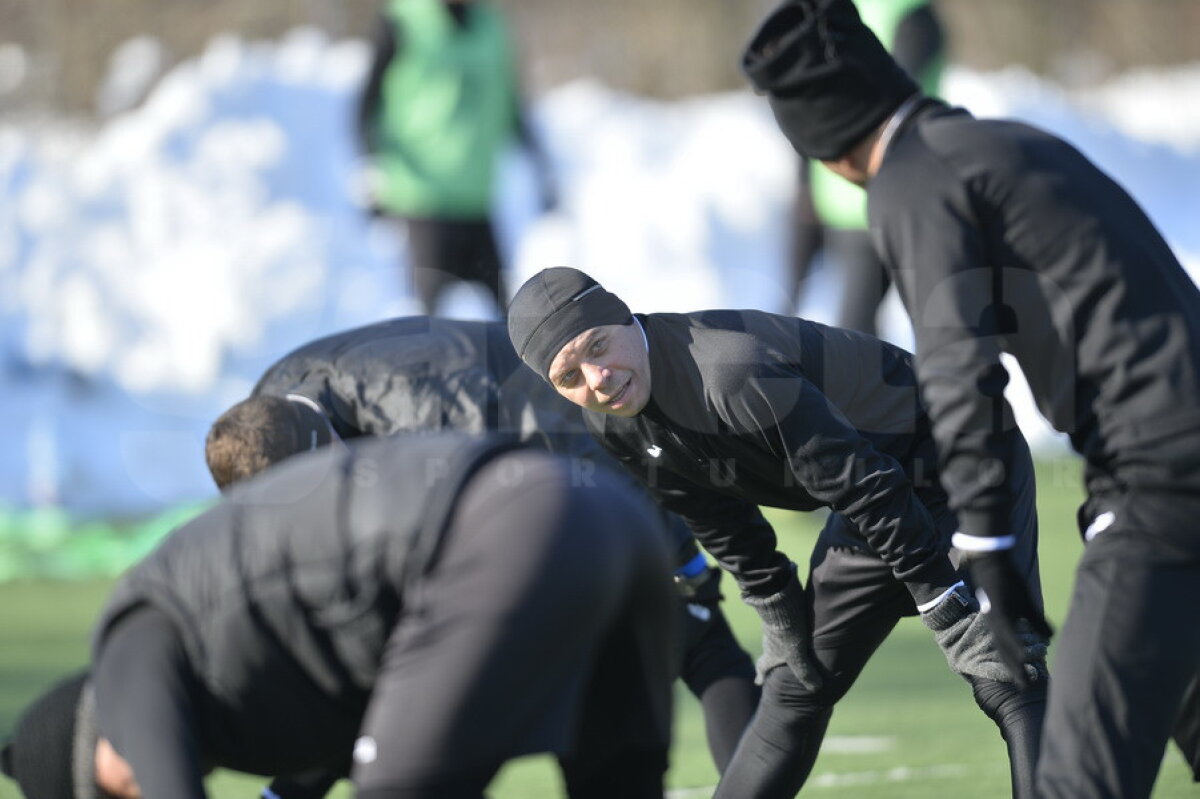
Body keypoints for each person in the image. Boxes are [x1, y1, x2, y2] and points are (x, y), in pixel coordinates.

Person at [739, 1, 1200, 796]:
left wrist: (984, 544)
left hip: (1163, 474)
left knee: (1078, 773)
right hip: (1169, 460)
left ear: (822, 147)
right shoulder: (1005, 144)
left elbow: (956, 370)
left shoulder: (911, 183)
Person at [506, 266, 1048, 798]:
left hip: (963, 452)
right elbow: (716, 517)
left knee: (1004, 675)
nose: (598, 379)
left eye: (598, 347)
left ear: (623, 316)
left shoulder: (728, 368)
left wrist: (941, 598)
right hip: (874, 488)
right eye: (569, 377)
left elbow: (863, 483)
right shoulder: (610, 421)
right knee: (795, 684)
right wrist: (777, 606)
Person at [205, 316, 759, 778]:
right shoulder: (263, 425)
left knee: (693, 634)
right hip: (482, 452)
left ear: (329, 448)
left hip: (565, 434)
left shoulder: (432, 417)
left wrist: (678, 557)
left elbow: (569, 447)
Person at [0, 433, 674, 799]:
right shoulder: (250, 676)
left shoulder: (127, 649)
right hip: (614, 517)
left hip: (499, 534)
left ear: (93, 750)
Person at [356, 0, 557, 315]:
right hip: (423, 199)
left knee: (508, 319)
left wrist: (542, 171)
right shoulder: (404, 19)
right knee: (430, 321)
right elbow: (366, 103)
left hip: (476, 198)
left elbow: (510, 103)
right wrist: (371, 168)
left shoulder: (491, 26)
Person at [788, 0, 944, 338]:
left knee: (861, 329)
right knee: (929, 328)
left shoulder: (832, 9)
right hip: (889, 194)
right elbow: (902, 105)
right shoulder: (911, 13)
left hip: (839, 188)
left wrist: (805, 178)